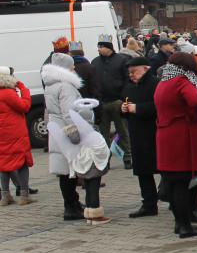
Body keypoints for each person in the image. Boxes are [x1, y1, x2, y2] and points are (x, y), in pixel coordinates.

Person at [154, 52, 197, 239]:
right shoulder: (181, 81)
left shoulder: (163, 81)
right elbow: (196, 101)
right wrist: (194, 117)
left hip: (165, 133)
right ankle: (185, 225)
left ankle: (179, 223)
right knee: (182, 184)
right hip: (181, 135)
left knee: (173, 182)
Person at [46, 98, 111, 224]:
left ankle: (88, 212)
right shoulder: (93, 135)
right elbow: (102, 149)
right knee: (94, 188)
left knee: (88, 188)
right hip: (94, 164)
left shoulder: (77, 136)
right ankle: (95, 215)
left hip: (83, 165)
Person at [42, 53, 86, 220]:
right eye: (72, 65)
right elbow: (69, 113)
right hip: (66, 132)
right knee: (68, 172)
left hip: (57, 131)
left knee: (64, 171)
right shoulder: (65, 86)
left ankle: (72, 202)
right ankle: (70, 207)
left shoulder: (50, 85)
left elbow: (49, 112)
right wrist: (75, 135)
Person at [121, 57, 160, 217]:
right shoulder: (130, 87)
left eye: (134, 71)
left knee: (164, 169)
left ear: (145, 68)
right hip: (137, 134)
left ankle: (173, 199)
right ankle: (149, 204)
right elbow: (124, 103)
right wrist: (122, 109)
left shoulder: (156, 84)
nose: (131, 75)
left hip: (154, 132)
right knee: (143, 172)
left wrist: (139, 109)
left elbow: (160, 106)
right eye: (129, 72)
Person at [92, 35, 133, 168]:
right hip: (102, 102)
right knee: (103, 133)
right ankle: (105, 159)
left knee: (122, 131)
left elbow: (127, 80)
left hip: (117, 101)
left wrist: (123, 98)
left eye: (101, 46)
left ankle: (127, 157)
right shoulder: (95, 62)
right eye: (98, 46)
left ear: (108, 48)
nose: (99, 49)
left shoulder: (121, 60)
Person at [0, 66, 34, 206]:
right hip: (14, 132)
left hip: (2, 133)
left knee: (3, 163)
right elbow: (24, 106)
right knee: (22, 162)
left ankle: (5, 195)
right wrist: (23, 89)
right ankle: (24, 194)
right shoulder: (8, 93)